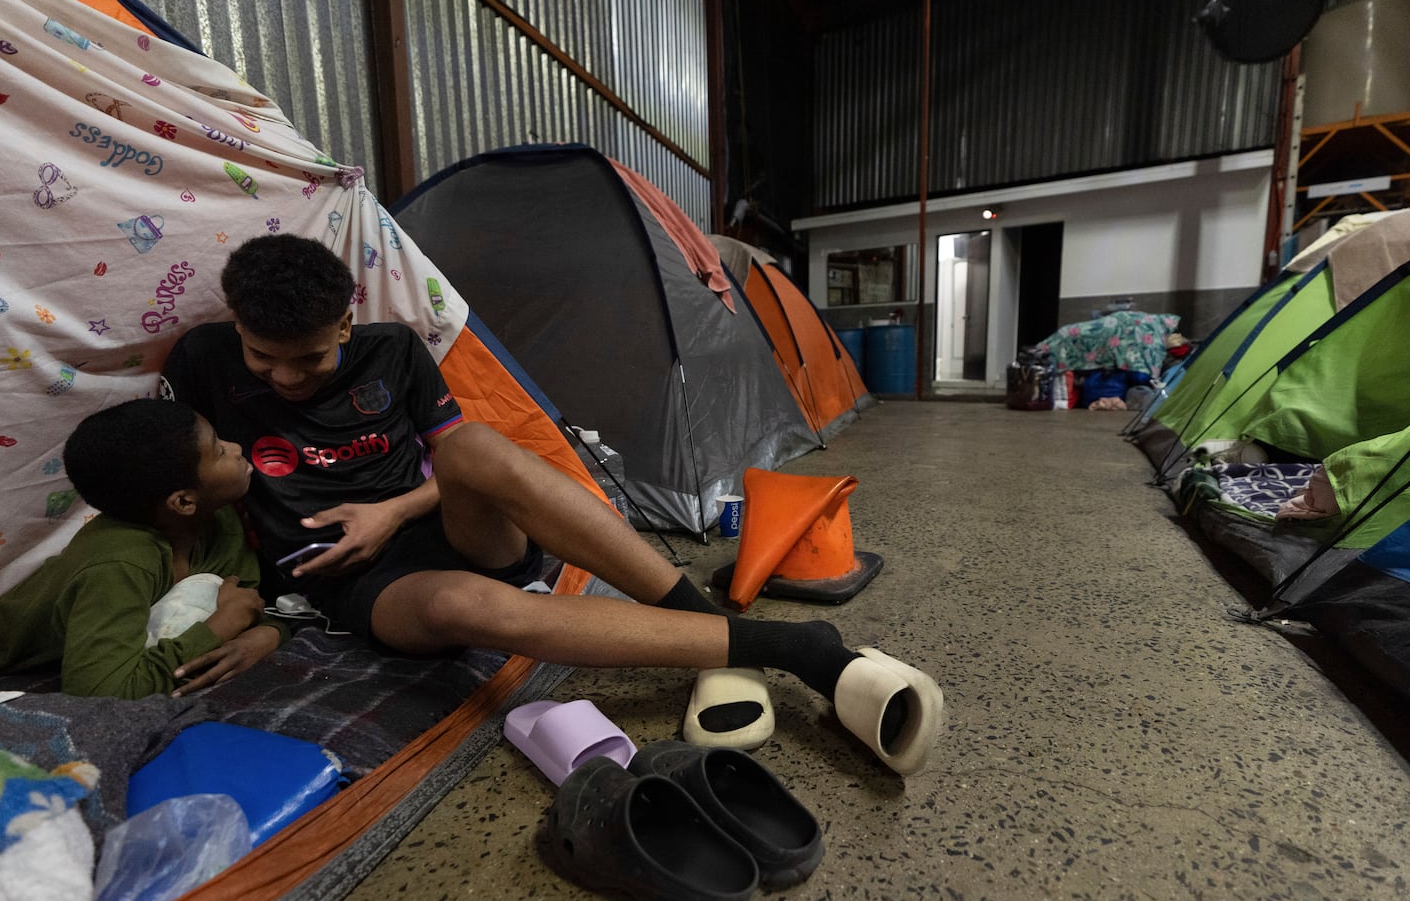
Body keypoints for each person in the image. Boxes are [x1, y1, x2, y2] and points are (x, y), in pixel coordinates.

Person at [161, 235, 941, 774]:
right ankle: (794, 648)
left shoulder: (391, 349)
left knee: (470, 447)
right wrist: (262, 614)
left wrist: (394, 510)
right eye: (265, 358)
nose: (287, 379)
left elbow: (455, 466)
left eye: (311, 358)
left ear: (344, 322)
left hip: (446, 526)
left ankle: (719, 630)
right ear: (237, 326)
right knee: (478, 607)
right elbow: (199, 504)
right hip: (362, 584)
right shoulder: (203, 362)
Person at [0, 399, 291, 699]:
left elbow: (246, 602)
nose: (235, 448)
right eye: (218, 450)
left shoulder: (220, 521)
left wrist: (269, 633)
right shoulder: (119, 563)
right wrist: (218, 629)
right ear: (184, 501)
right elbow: (100, 690)